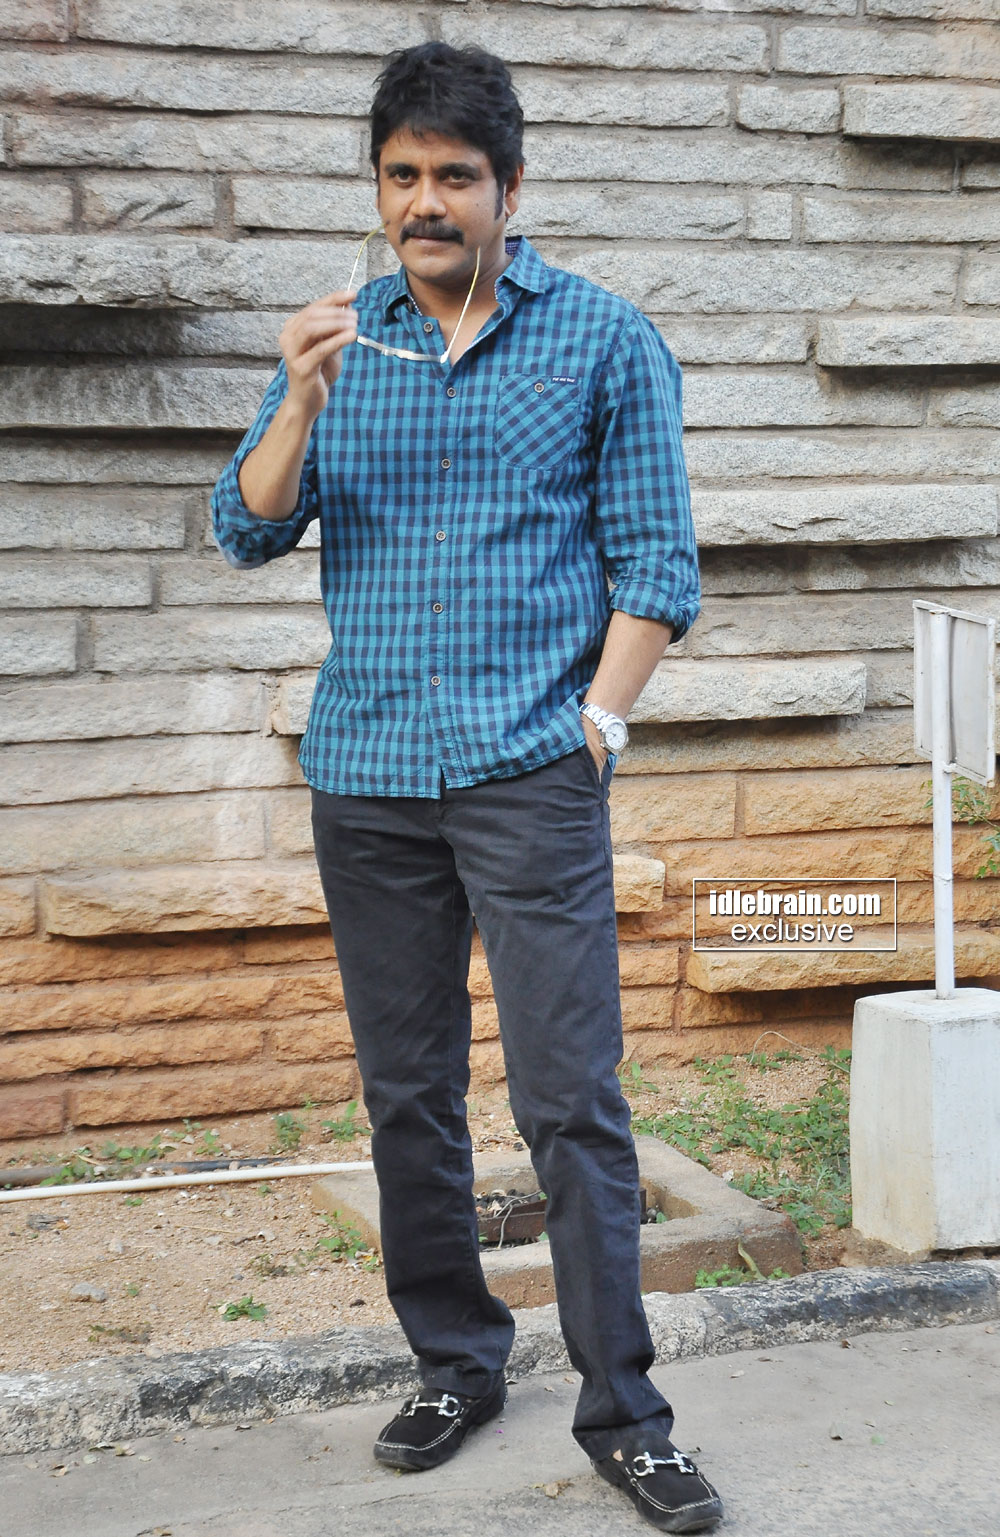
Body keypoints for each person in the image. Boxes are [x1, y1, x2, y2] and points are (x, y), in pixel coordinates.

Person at [212, 41, 720, 1534]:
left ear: (510, 185)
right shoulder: (337, 341)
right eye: (401, 176)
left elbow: (658, 568)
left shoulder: (603, 340)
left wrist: (597, 727)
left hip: (528, 774)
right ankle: (455, 1361)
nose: (424, 202)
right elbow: (245, 527)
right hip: (367, 774)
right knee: (407, 1095)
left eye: (453, 175)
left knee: (572, 1100)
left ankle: (627, 1412)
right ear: (377, 188)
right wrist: (297, 401)